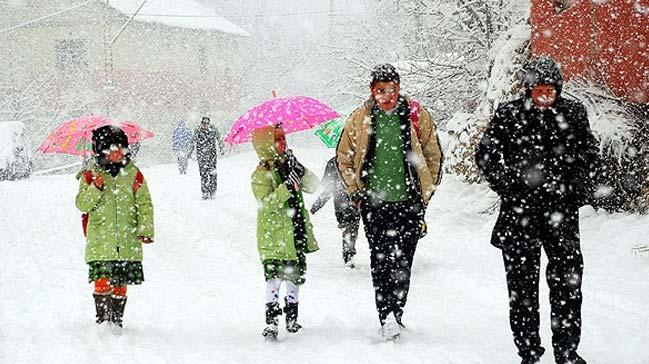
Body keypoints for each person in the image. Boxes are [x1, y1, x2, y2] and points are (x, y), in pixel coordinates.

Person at [475, 56, 599, 364]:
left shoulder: (573, 113)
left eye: (551, 90)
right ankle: (528, 353)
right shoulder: (509, 115)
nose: (545, 96)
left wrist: (575, 188)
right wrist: (509, 186)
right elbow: (486, 156)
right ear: (528, 89)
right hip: (519, 217)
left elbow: (590, 154)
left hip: (562, 216)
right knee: (522, 292)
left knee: (568, 287)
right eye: (539, 90)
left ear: (559, 89)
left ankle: (568, 352)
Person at [336, 64, 443, 340]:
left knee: (404, 260)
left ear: (399, 88)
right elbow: (344, 157)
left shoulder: (415, 115)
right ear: (372, 91)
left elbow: (433, 152)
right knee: (381, 260)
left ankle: (398, 311)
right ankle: (386, 315)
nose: (387, 96)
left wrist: (425, 190)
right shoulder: (360, 119)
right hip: (373, 204)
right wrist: (356, 190)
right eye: (381, 90)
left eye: (392, 89)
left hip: (409, 202)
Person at [76, 125, 154, 329]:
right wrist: (96, 187)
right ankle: (103, 320)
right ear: (101, 150)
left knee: (120, 281)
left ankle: (117, 320)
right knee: (102, 280)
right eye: (113, 149)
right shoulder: (90, 176)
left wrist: (145, 229)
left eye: (122, 148)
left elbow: (144, 202)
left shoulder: (133, 174)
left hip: (127, 239)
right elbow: (82, 204)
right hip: (101, 240)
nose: (119, 153)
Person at [250, 125, 320, 340]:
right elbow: (265, 203)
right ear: (266, 146)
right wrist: (286, 188)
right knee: (274, 278)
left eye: (284, 138)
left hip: (296, 230)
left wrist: (299, 170)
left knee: (294, 277)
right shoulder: (261, 174)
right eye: (277, 140)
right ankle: (271, 321)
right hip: (275, 235)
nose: (283, 143)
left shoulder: (289, 165)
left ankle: (292, 317)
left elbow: (314, 185)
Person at [310, 156, 360, 268]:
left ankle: (349, 253)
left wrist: (316, 206)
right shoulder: (357, 160)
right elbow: (328, 189)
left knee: (348, 228)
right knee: (351, 228)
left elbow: (327, 189)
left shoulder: (333, 162)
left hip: (343, 203)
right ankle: (349, 253)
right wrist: (316, 206)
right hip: (352, 202)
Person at [188, 117, 225, 199]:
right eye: (203, 123)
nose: (205, 125)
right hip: (201, 155)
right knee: (203, 174)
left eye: (206, 123)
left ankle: (212, 191)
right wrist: (189, 153)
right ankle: (205, 191)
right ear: (201, 123)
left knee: (212, 173)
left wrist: (222, 148)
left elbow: (219, 138)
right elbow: (192, 142)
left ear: (209, 124)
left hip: (212, 155)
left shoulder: (213, 129)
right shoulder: (197, 130)